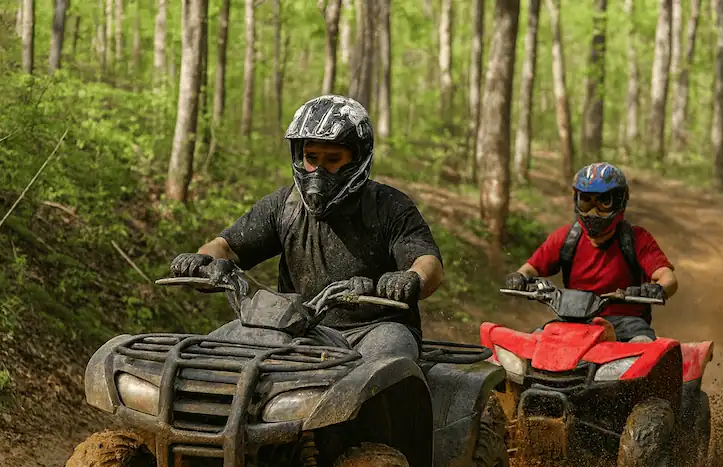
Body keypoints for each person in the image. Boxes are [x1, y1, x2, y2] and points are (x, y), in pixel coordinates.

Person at [169, 95, 444, 360]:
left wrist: (412, 278)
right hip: (297, 328)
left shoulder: (389, 206)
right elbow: (226, 246)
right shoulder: (285, 205)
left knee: (388, 356)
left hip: (373, 330)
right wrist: (203, 260)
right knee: (207, 353)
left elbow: (427, 262)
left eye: (333, 159)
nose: (318, 170)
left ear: (357, 159)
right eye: (312, 158)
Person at [503, 162, 677, 343]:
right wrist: (519, 278)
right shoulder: (566, 238)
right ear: (576, 200)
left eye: (604, 202)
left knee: (643, 345)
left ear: (620, 201)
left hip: (627, 325)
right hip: (572, 321)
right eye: (586, 201)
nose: (593, 212)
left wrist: (658, 289)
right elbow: (529, 269)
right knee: (531, 345)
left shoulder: (637, 239)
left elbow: (668, 278)